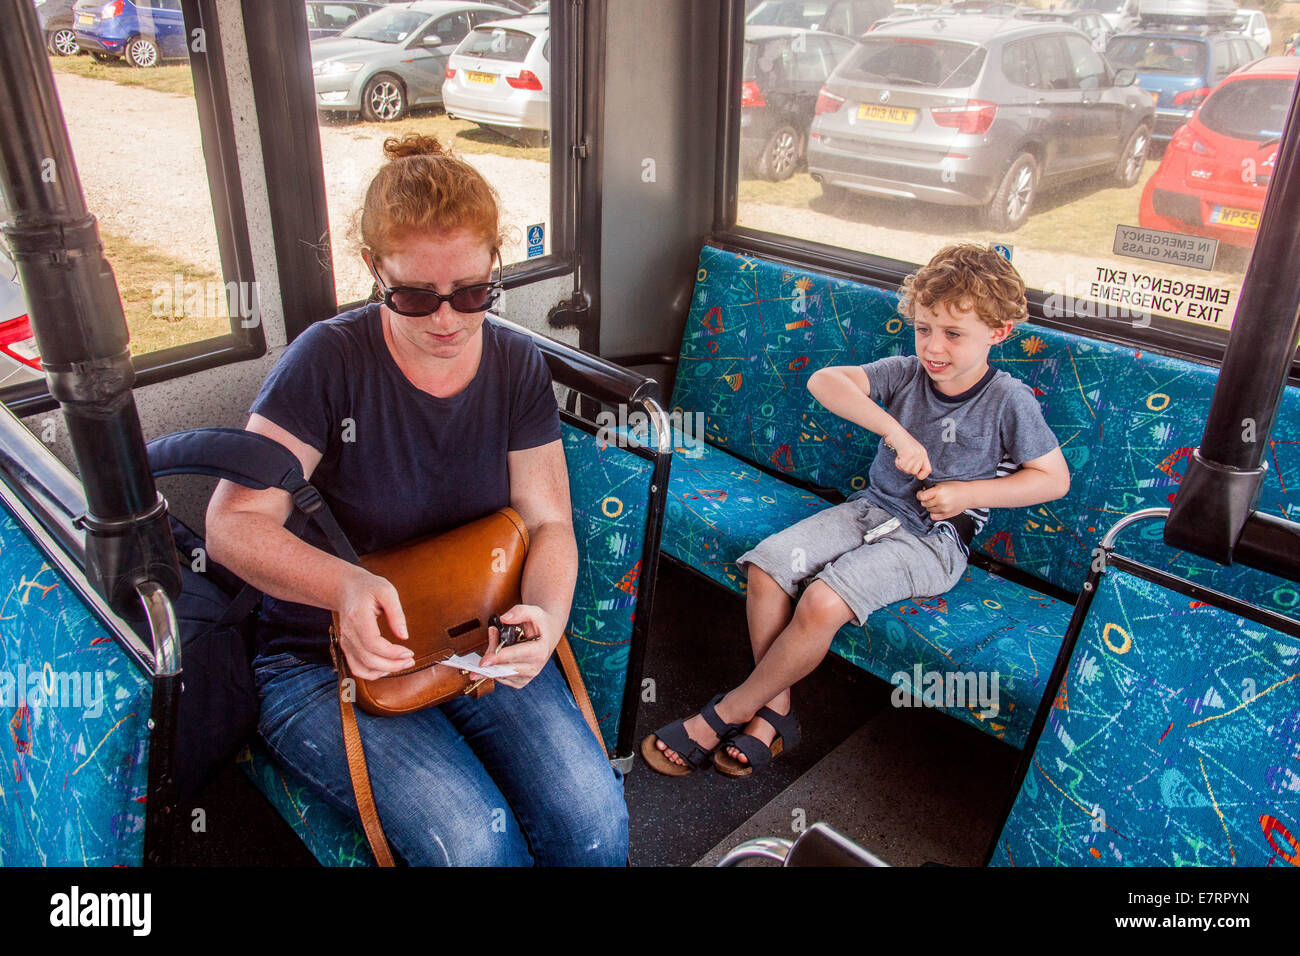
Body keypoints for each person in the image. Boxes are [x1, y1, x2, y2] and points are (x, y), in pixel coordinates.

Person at [205, 133, 627, 865]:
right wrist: (345, 586)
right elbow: (232, 523)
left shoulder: (515, 361)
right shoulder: (327, 361)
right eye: (411, 295)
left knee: (595, 825)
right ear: (373, 270)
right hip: (322, 658)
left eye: (472, 293)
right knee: (471, 848)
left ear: (497, 265)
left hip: (476, 629)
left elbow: (548, 520)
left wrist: (547, 621)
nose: (446, 320)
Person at [642, 243, 1070, 776]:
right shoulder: (908, 372)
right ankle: (778, 710)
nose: (934, 347)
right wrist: (895, 431)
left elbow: (1053, 479)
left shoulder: (1009, 401)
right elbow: (825, 381)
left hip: (932, 542)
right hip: (870, 509)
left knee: (822, 601)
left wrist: (968, 494)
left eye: (953, 334)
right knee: (767, 568)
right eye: (923, 329)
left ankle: (730, 710)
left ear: (999, 332)